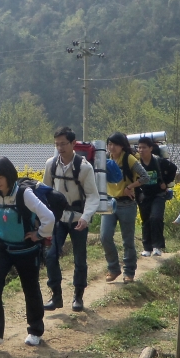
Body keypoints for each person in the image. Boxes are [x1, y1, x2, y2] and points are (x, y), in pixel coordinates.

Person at [0, 157, 55, 347]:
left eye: (1, 177)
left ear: (9, 175)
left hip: (26, 249)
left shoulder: (24, 194)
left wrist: (39, 234)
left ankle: (35, 330)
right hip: (1, 247)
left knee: (30, 288)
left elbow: (48, 217)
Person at [42, 127, 100, 312]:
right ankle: (56, 296)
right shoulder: (51, 164)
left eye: (63, 143)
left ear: (73, 143)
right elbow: (45, 191)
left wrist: (86, 217)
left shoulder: (84, 167)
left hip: (78, 218)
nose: (60, 147)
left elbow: (92, 195)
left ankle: (78, 297)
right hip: (58, 218)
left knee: (80, 258)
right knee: (51, 256)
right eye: (57, 144)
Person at [100, 132, 147, 283]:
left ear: (122, 146)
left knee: (128, 240)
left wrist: (131, 186)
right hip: (108, 202)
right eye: (109, 144)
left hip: (126, 204)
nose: (111, 147)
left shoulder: (129, 159)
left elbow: (145, 177)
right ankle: (113, 268)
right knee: (105, 236)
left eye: (114, 144)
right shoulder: (105, 159)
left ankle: (129, 272)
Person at [135, 136, 175, 257]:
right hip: (144, 196)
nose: (141, 150)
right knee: (145, 220)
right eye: (139, 147)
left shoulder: (158, 161)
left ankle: (157, 246)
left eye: (144, 147)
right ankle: (147, 248)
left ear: (151, 148)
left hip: (158, 195)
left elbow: (173, 168)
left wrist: (166, 183)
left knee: (156, 218)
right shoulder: (136, 163)